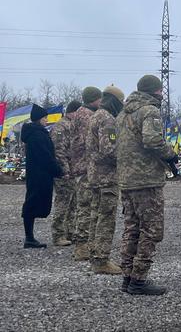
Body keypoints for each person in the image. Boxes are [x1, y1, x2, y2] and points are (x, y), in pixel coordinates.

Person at [116, 75, 178, 295]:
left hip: (127, 180)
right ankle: (139, 280)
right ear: (155, 91)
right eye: (161, 90)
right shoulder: (149, 110)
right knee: (151, 230)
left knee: (131, 229)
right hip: (146, 180)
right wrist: (171, 155)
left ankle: (127, 277)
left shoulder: (123, 113)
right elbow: (151, 140)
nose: (162, 94)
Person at [86, 86, 125, 275]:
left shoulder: (95, 116)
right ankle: (101, 260)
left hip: (94, 176)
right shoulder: (107, 119)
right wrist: (126, 157)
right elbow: (109, 150)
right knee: (106, 219)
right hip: (107, 177)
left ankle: (94, 254)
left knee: (95, 216)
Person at [21, 104, 63, 248]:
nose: (46, 120)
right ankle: (29, 238)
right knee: (32, 204)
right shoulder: (37, 135)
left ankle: (30, 237)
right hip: (40, 175)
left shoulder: (35, 133)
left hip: (36, 174)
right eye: (45, 118)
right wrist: (58, 170)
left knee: (32, 203)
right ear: (39, 119)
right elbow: (45, 156)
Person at [71, 86, 102, 261]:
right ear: (93, 99)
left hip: (82, 166)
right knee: (85, 207)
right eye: (99, 99)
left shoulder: (79, 114)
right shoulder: (87, 117)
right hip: (86, 168)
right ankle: (82, 247)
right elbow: (90, 143)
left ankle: (84, 244)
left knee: (85, 206)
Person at [50, 100, 81, 246]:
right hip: (64, 172)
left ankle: (70, 232)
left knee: (73, 203)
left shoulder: (71, 125)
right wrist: (65, 170)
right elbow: (59, 152)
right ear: (73, 111)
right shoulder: (61, 127)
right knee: (63, 203)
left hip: (72, 171)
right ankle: (58, 235)